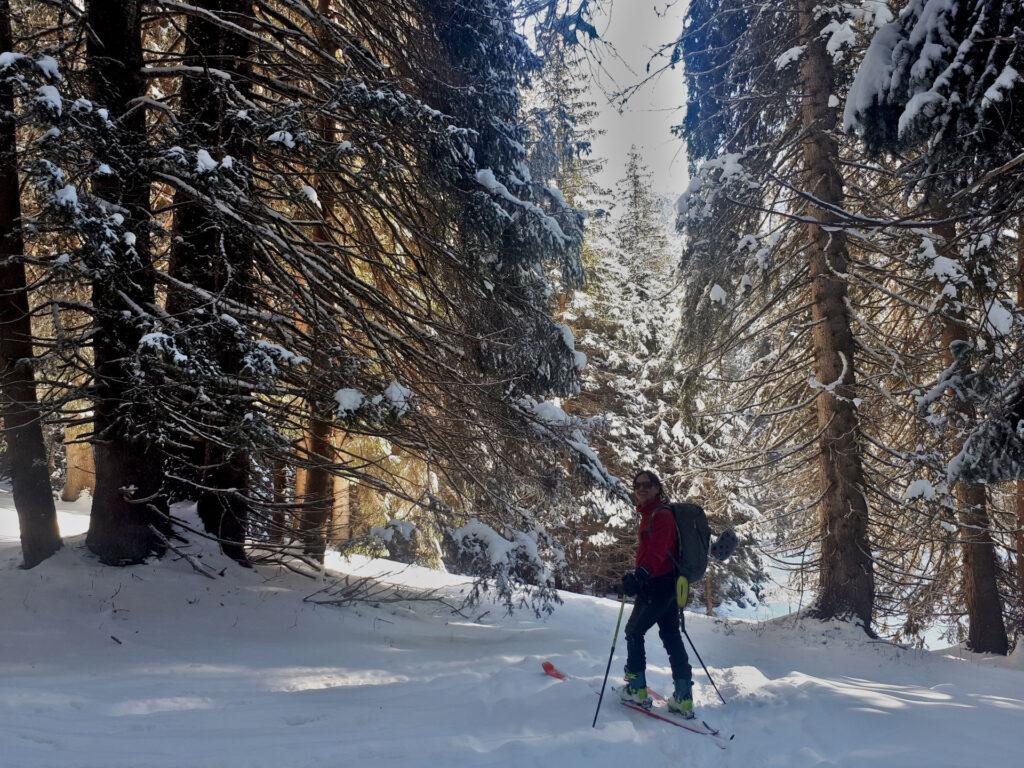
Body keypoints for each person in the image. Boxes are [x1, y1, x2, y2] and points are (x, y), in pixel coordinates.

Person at [620, 469, 694, 718]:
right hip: (668, 584)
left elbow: (658, 550)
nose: (641, 488)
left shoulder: (660, 515)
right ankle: (683, 697)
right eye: (637, 484)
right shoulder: (652, 513)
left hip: (656, 584)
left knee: (633, 632)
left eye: (647, 484)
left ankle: (636, 689)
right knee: (672, 635)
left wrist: (640, 575)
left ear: (657, 488)